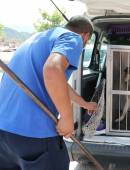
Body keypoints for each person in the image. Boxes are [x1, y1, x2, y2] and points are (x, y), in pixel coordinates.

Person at [0, 15, 97, 170]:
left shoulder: (38, 38)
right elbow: (52, 70)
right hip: (33, 132)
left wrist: (84, 104)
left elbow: (58, 82)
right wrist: (66, 117)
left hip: (4, 132)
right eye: (87, 41)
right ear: (86, 35)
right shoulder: (73, 38)